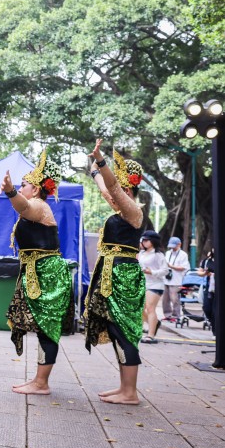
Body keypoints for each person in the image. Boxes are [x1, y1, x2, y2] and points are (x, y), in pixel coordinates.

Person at [1, 151, 73, 395]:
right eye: (20, 185)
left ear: (36, 189)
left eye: (24, 185)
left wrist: (11, 191)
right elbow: (22, 207)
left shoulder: (39, 206)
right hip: (37, 271)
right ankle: (38, 380)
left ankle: (41, 383)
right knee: (42, 326)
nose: (21, 188)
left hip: (47, 272)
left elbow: (24, 205)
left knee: (47, 326)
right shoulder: (32, 208)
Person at [85, 142, 146, 405]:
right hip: (112, 272)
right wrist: (94, 170)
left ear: (127, 187)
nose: (114, 193)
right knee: (115, 328)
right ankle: (124, 388)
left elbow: (110, 188)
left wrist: (101, 163)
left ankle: (130, 392)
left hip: (123, 274)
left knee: (124, 329)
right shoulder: (121, 209)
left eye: (120, 188)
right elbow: (105, 187)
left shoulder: (133, 210)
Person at [138, 231, 168, 344]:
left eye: (146, 240)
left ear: (153, 241)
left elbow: (165, 270)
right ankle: (155, 323)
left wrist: (152, 272)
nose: (144, 242)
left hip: (155, 285)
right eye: (143, 240)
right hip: (143, 283)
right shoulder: (141, 253)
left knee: (150, 308)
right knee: (139, 308)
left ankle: (151, 335)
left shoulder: (158, 255)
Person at [162, 236, 190, 322]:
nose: (172, 248)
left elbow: (183, 267)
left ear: (179, 244)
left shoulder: (183, 255)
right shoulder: (168, 253)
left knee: (175, 299)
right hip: (166, 279)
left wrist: (171, 266)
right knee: (165, 299)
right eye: (171, 246)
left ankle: (176, 316)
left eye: (174, 246)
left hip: (176, 280)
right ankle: (167, 315)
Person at [197, 248, 216, 333]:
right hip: (209, 288)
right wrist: (205, 273)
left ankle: (215, 332)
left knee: (216, 311)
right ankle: (213, 324)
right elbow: (199, 272)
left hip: (219, 289)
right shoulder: (207, 261)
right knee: (207, 308)